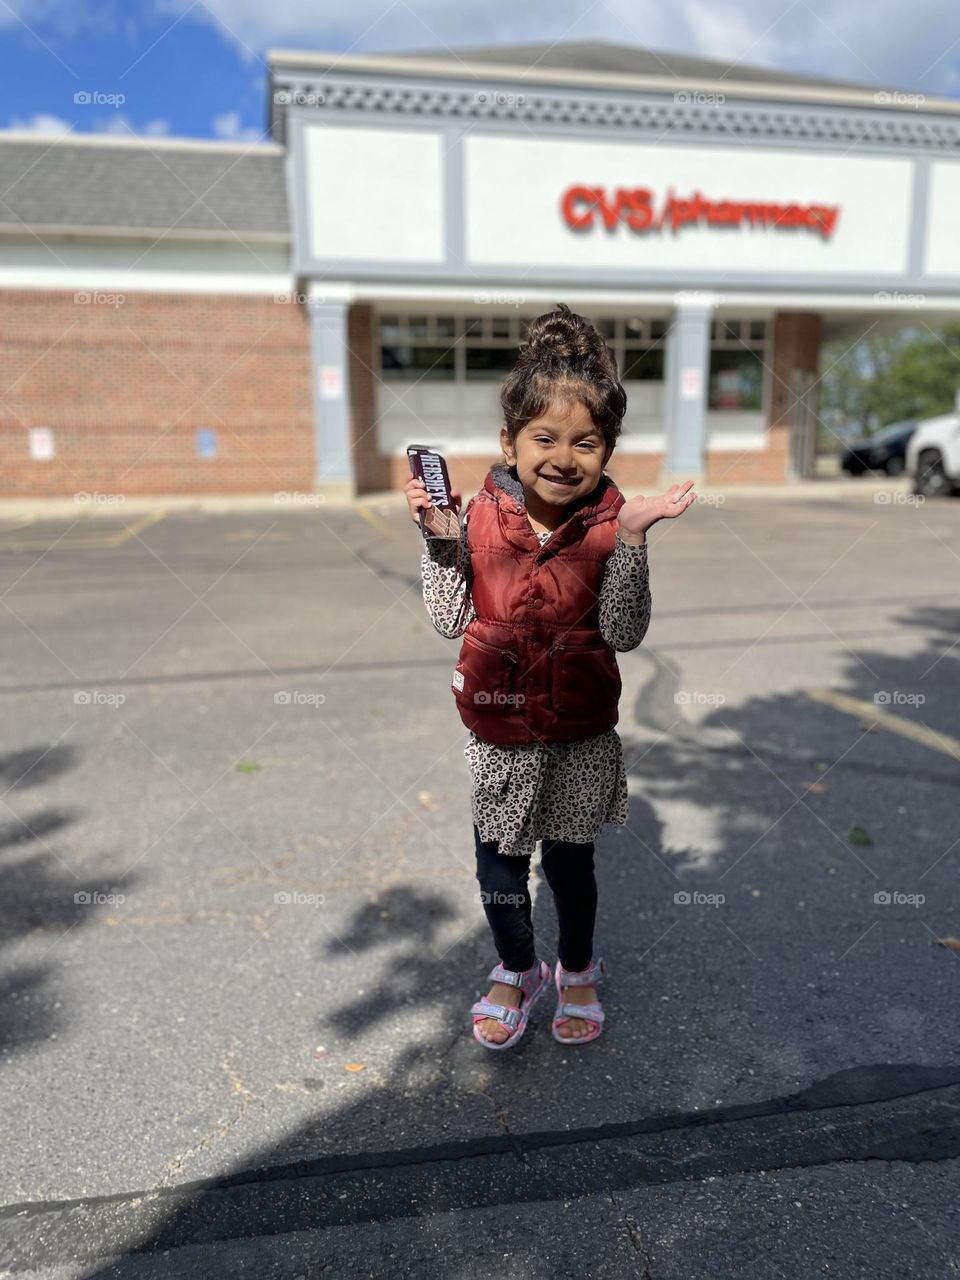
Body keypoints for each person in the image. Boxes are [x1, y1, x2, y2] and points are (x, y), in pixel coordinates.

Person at [404, 303, 695, 1050]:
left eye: (586, 442)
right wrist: (439, 540)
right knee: (499, 864)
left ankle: (576, 967)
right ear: (509, 441)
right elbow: (446, 616)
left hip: (577, 733)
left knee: (570, 865)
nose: (564, 457)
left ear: (607, 450)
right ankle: (515, 968)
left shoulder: (610, 522)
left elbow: (626, 631)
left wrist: (631, 539)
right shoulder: (475, 517)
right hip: (501, 730)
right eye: (544, 438)